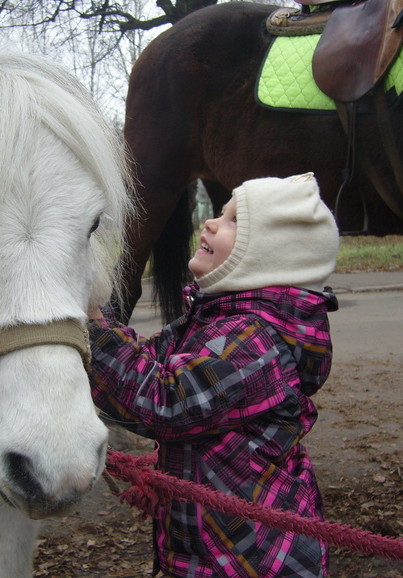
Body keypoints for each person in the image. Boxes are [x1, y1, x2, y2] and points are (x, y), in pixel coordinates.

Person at [88, 173, 340, 578]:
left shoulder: (255, 343)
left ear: (268, 257)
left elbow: (163, 401)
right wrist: (99, 309)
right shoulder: (217, 321)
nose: (210, 223)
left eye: (233, 220)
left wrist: (93, 328)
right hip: (215, 548)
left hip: (253, 560)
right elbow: (145, 360)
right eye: (220, 214)